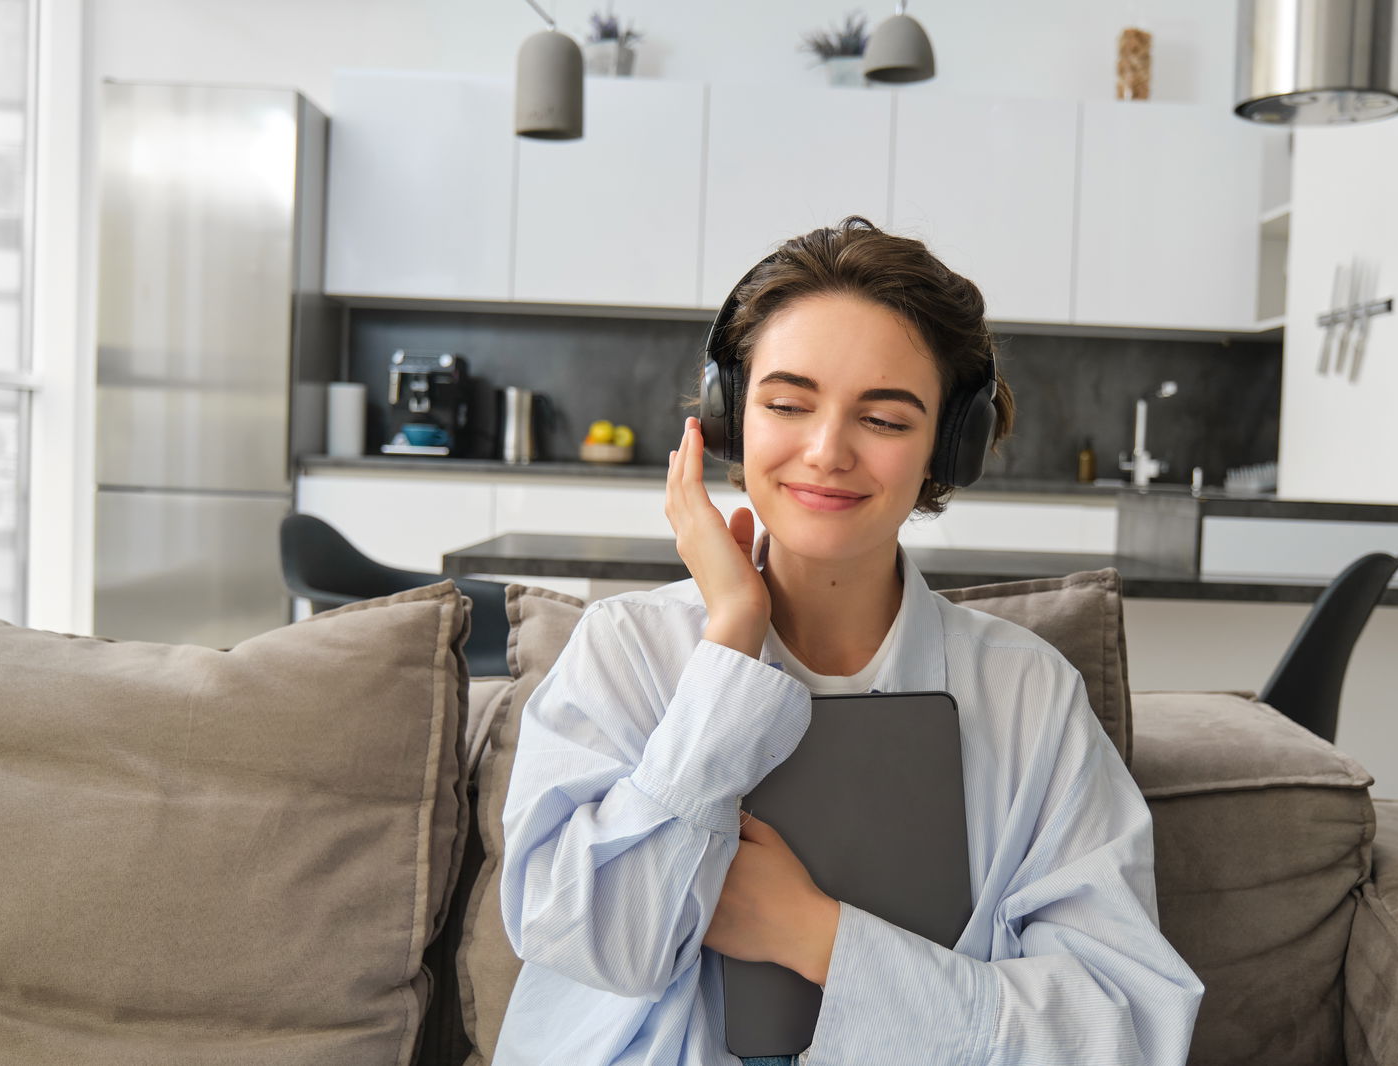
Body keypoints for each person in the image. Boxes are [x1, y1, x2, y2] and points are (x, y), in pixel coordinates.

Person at [495, 217, 1203, 1065]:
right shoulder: (628, 652)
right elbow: (594, 945)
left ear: (950, 446)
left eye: (886, 419)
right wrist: (727, 650)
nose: (827, 451)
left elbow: (1121, 1033)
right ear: (727, 419)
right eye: (788, 404)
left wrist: (819, 938)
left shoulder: (1025, 697)